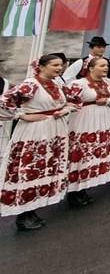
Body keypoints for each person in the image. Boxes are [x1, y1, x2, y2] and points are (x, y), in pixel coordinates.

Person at [0, 55, 78, 231]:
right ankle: (23, 214)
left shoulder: (57, 85)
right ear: (41, 67)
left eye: (61, 65)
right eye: (54, 65)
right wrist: (21, 115)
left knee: (44, 167)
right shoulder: (31, 84)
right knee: (30, 167)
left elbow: (73, 101)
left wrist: (64, 110)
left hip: (54, 129)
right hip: (34, 131)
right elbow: (4, 102)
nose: (59, 68)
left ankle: (32, 209)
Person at [64, 57, 110, 207]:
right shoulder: (79, 84)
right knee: (82, 152)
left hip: (104, 119)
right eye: (102, 66)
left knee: (95, 151)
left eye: (106, 66)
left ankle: (84, 187)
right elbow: (65, 100)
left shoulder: (109, 84)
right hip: (84, 120)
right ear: (90, 68)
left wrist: (108, 101)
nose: (106, 68)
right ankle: (73, 191)